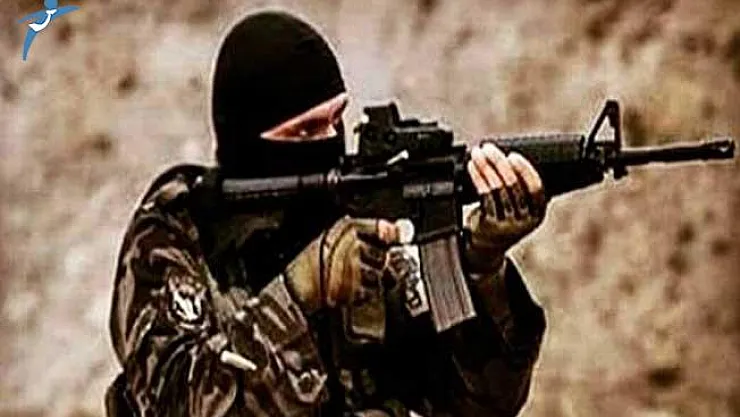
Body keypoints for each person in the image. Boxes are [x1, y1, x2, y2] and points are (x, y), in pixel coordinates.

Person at [105, 10, 548, 417]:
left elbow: (484, 403)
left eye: (336, 121)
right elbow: (178, 405)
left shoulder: (354, 222)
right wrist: (300, 292)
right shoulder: (177, 236)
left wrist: (483, 269)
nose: (329, 142)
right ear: (247, 141)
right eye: (305, 131)